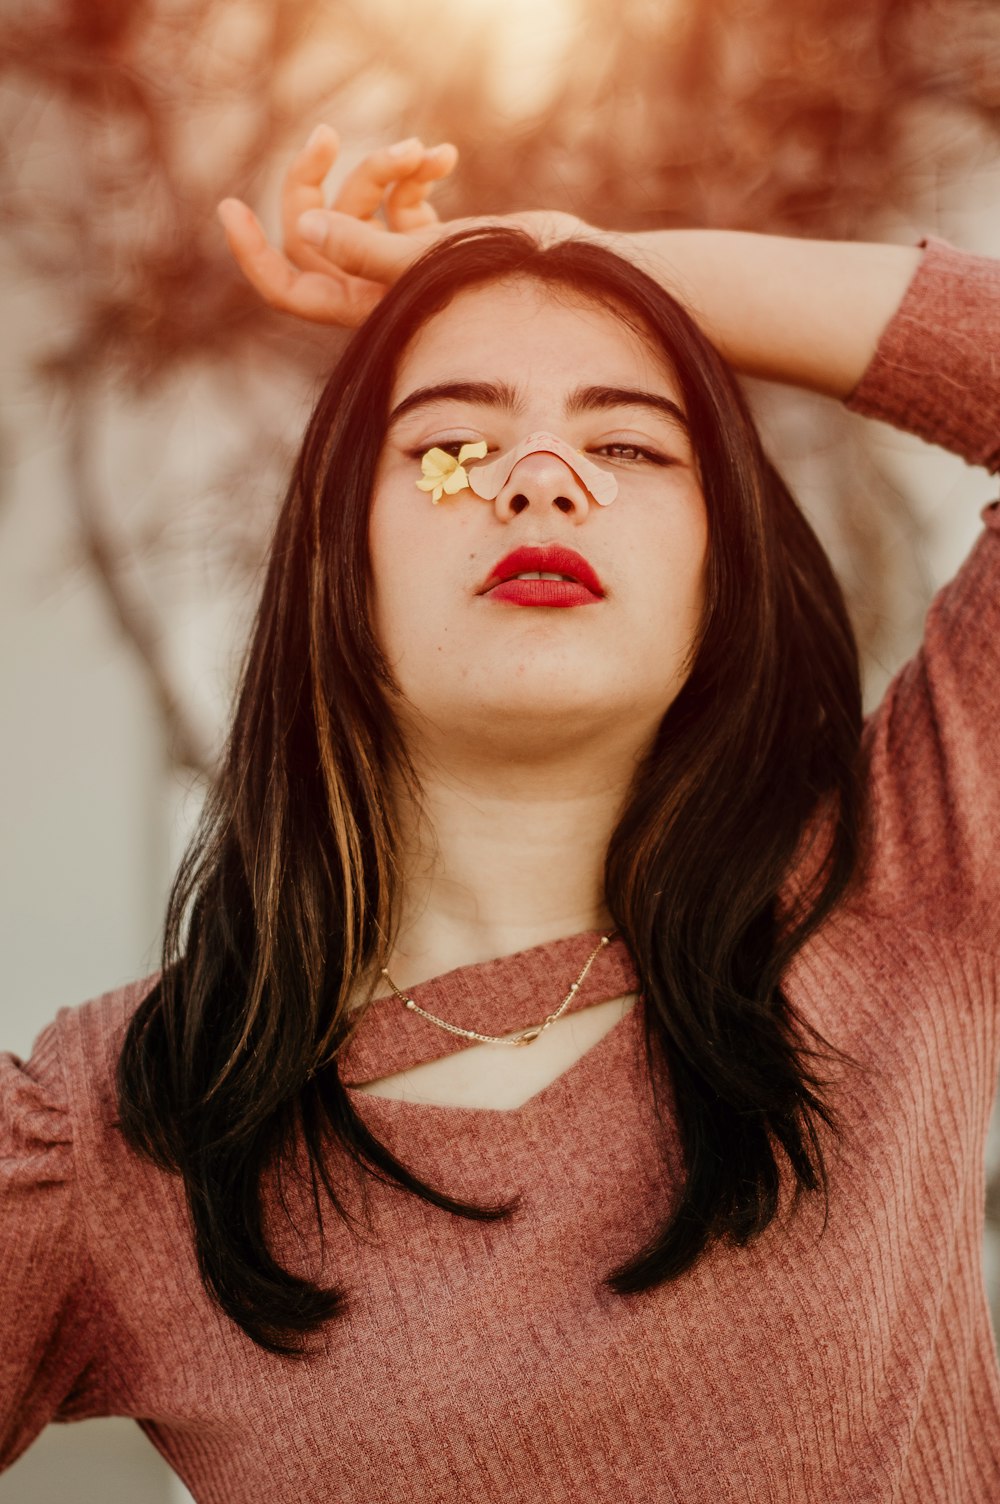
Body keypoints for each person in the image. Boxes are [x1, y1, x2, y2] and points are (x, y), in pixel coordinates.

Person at [2, 124, 999, 1503]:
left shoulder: (901, 879)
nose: (541, 478)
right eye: (454, 444)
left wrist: (582, 260)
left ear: (725, 572)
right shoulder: (124, 1127)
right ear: (337, 562)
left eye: (633, 447)